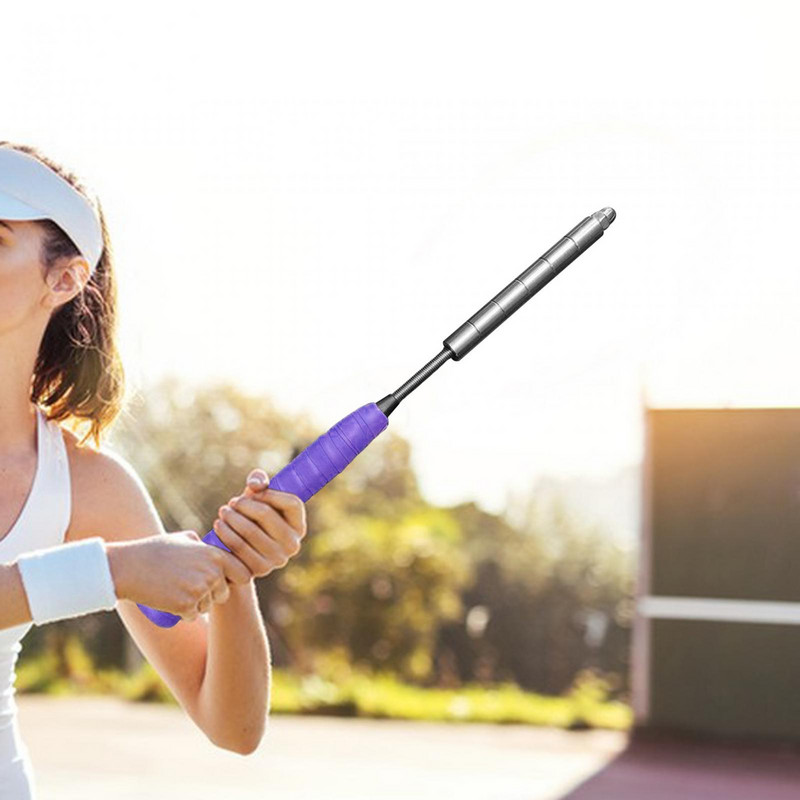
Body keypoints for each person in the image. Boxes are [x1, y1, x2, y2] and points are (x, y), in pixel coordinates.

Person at [0, 141, 307, 798]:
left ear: (65, 279)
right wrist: (112, 571)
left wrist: (232, 572)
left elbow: (231, 723)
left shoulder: (90, 488)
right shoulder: (109, 550)